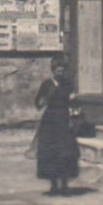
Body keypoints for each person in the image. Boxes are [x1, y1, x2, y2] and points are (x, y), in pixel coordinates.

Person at [33, 55, 80, 196]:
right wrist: (44, 99)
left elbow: (74, 105)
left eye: (62, 70)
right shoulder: (46, 84)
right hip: (50, 122)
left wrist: (73, 106)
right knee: (50, 154)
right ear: (53, 71)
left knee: (65, 154)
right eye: (57, 71)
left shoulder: (68, 84)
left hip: (64, 121)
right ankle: (53, 185)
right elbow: (38, 104)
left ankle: (65, 185)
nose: (60, 73)